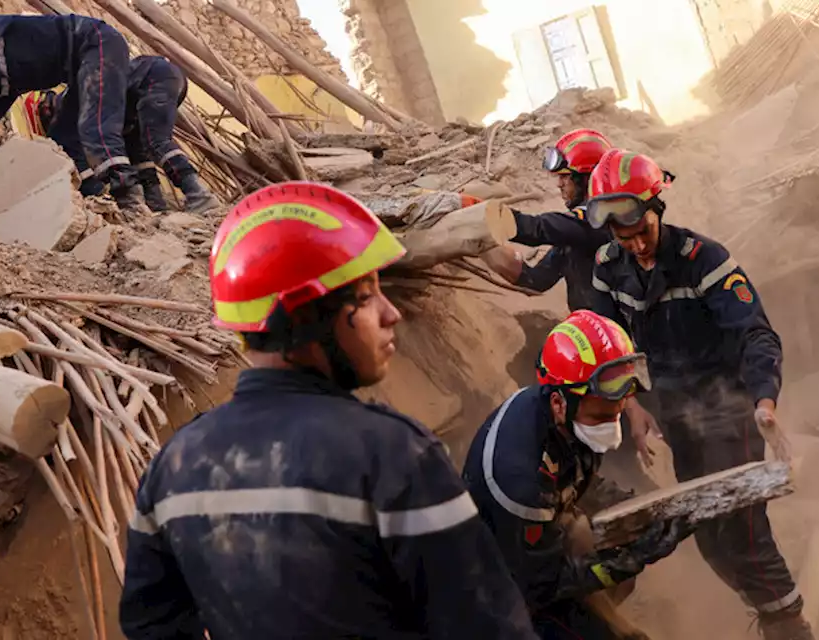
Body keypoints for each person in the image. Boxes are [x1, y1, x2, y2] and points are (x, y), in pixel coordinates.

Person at [119, 182, 538, 639]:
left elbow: (149, 626)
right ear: (305, 317)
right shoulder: (391, 454)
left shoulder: (172, 468)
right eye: (365, 294)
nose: (390, 312)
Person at [584, 149, 813, 640]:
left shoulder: (704, 259)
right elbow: (609, 345)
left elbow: (755, 334)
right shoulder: (607, 267)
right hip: (677, 418)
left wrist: (764, 402)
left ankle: (789, 626)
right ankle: (768, 608)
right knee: (707, 535)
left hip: (731, 411)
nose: (638, 247)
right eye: (624, 239)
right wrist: (633, 404)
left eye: (642, 231)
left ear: (657, 210)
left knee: (744, 531)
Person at [462, 310, 694, 640]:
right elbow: (545, 585)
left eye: (618, 406)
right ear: (559, 402)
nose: (613, 418)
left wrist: (641, 509)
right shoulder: (520, 480)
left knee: (610, 560)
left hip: (542, 546)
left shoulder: (565, 415)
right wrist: (631, 559)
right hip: (506, 591)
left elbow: (578, 477)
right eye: (602, 410)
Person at [0, 15, 146, 209]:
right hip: (79, 68)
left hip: (96, 43)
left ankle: (129, 197)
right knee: (62, 138)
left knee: (94, 124)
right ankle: (95, 194)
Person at [20, 55, 222, 214]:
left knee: (156, 141)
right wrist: (153, 204)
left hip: (152, 79)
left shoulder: (71, 109)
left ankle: (200, 197)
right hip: (162, 80)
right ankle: (155, 204)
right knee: (141, 145)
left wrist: (97, 192)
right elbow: (136, 155)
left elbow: (70, 147)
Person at [483, 128, 614, 312]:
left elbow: (537, 229)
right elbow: (536, 280)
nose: (559, 184)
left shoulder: (599, 221)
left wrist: (482, 215)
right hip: (589, 331)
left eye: (565, 176)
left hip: (616, 336)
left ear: (587, 178)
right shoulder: (575, 234)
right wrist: (484, 246)